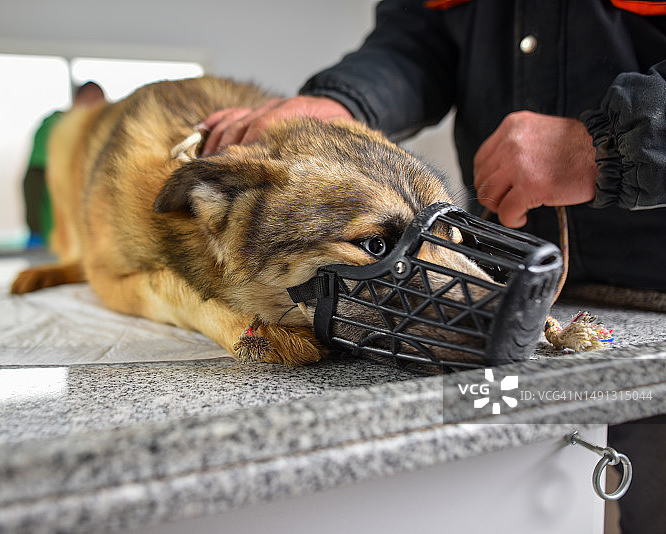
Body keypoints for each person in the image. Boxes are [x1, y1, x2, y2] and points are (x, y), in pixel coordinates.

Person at [199, 2, 666, 533]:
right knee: (518, 507)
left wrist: (612, 145)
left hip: (656, 308)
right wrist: (344, 101)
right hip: (502, 296)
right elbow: (417, 41)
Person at [22, 81, 105, 247]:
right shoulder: (55, 125)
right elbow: (33, 179)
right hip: (53, 232)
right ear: (77, 102)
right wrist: (34, 228)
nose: (95, 110)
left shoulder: (97, 133)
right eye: (91, 102)